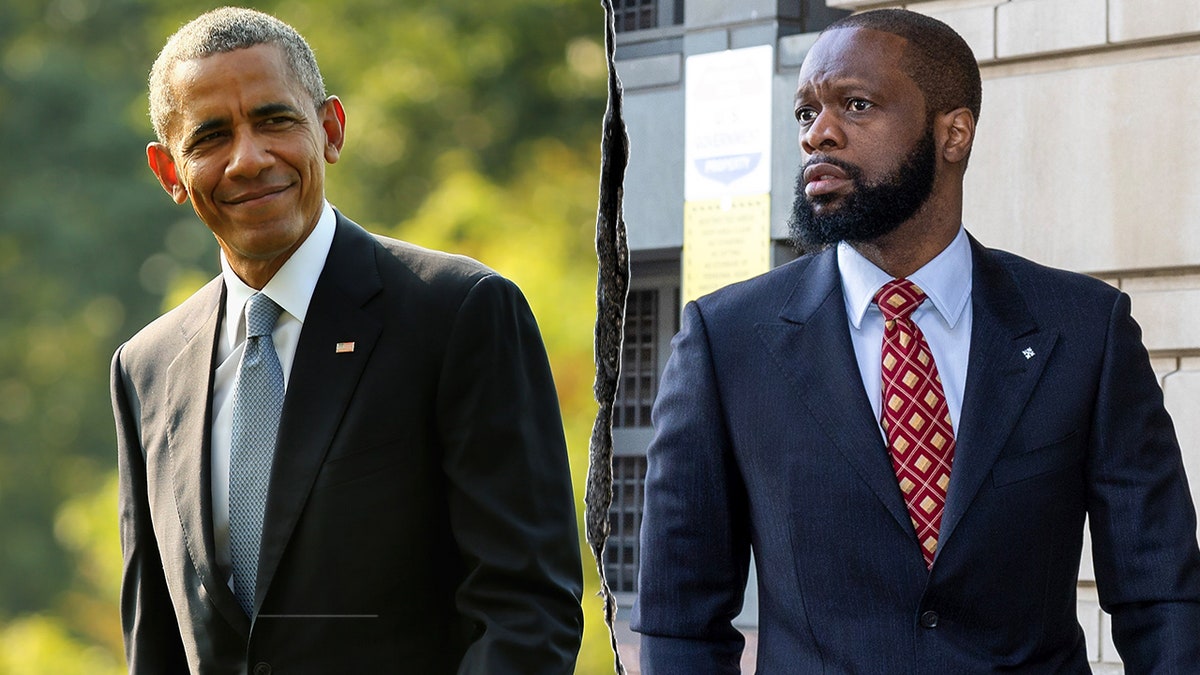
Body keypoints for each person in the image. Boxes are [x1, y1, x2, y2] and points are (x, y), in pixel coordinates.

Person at [632, 8, 1200, 673]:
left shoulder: (1083, 330)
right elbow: (680, 622)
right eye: (805, 112)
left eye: (857, 104)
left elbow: (1161, 596)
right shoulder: (725, 342)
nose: (819, 134)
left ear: (953, 133)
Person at [110, 7, 583, 673]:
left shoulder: (457, 314)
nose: (249, 158)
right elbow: (155, 638)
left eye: (275, 119)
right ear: (169, 173)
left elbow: (527, 608)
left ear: (330, 129)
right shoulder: (145, 368)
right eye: (211, 136)